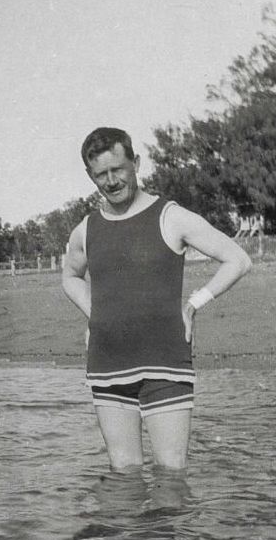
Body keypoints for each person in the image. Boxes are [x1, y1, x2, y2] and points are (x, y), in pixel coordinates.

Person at [62, 126, 251, 472]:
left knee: (172, 474)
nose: (112, 181)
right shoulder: (85, 229)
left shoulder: (170, 216)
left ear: (136, 162)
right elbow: (70, 277)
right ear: (91, 176)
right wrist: (95, 313)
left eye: (118, 169)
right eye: (101, 175)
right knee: (123, 475)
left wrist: (195, 303)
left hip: (165, 361)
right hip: (107, 364)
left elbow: (238, 260)